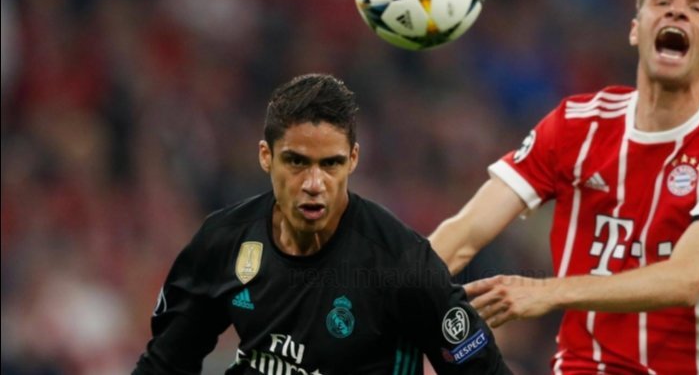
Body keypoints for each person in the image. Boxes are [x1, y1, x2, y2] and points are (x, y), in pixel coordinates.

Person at [429, 0, 699, 374]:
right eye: (663, 1)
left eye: (698, 7)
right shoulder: (576, 125)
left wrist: (549, 292)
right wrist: (379, 299)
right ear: (635, 29)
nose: (677, 12)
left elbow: (687, 278)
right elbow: (464, 233)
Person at [134, 74, 511, 374]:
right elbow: (165, 364)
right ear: (266, 156)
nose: (314, 184)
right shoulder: (224, 241)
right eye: (296, 162)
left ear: (353, 160)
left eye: (331, 164)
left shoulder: (401, 263)